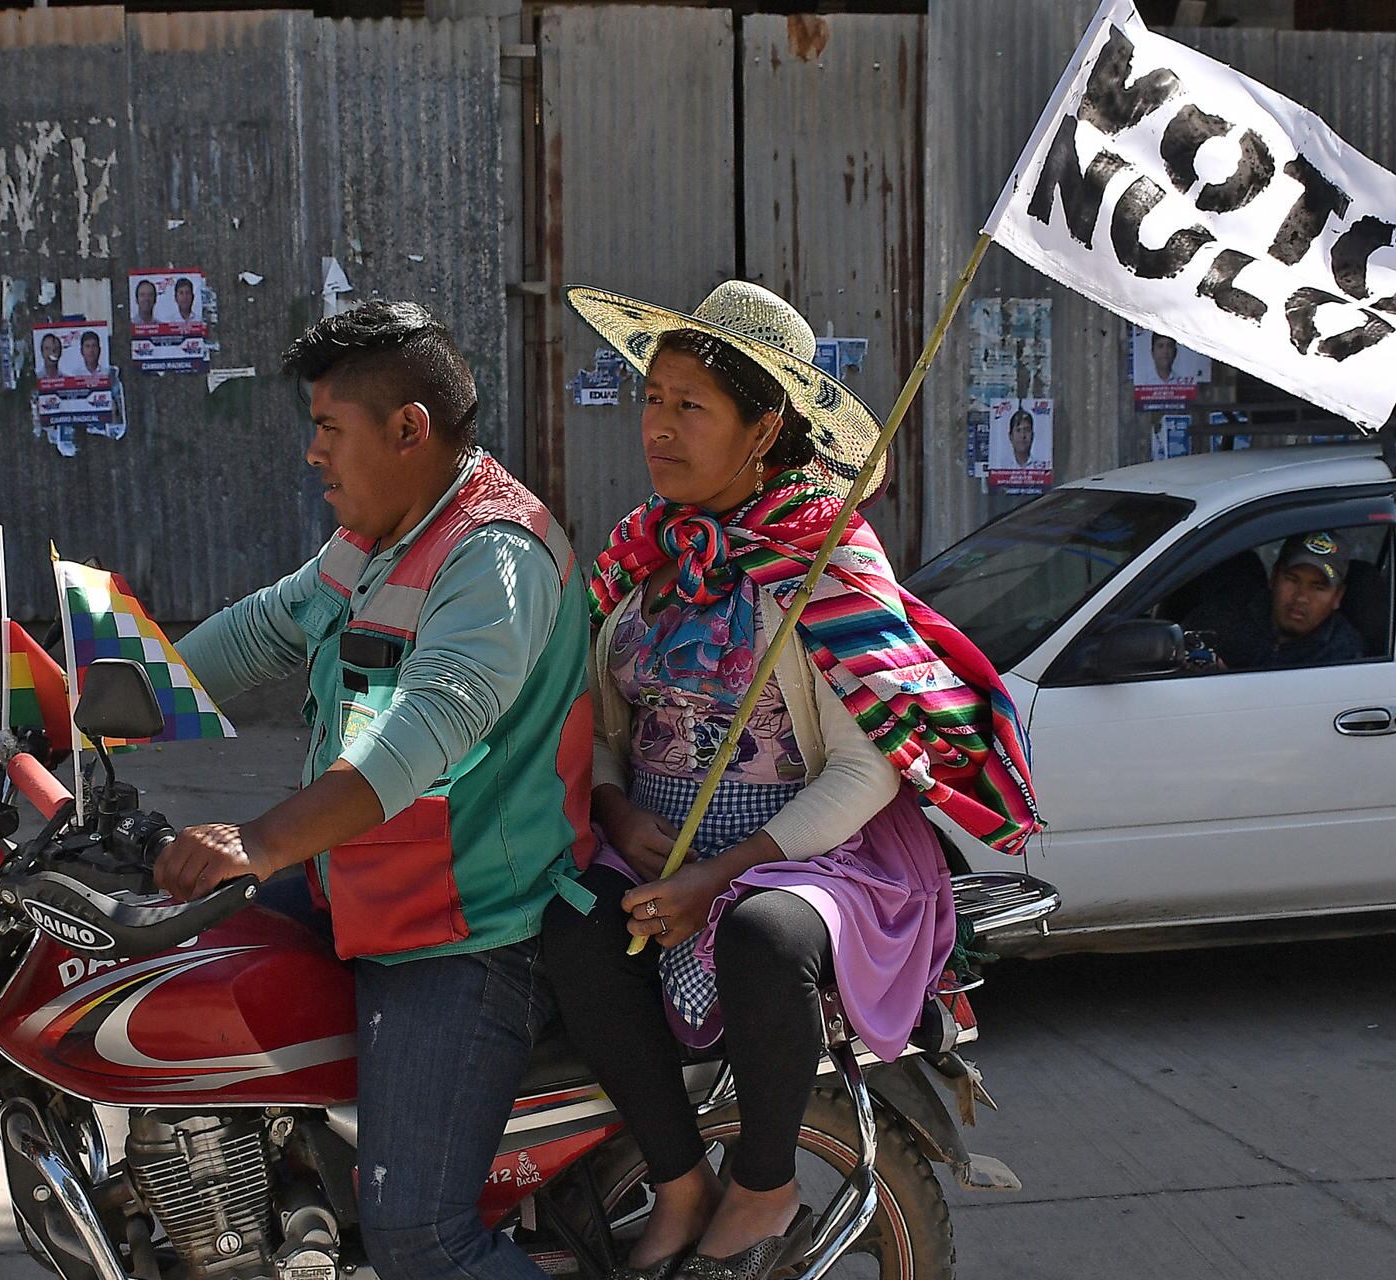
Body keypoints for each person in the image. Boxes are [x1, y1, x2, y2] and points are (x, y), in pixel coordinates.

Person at [544, 281, 1039, 1280]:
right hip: (656, 841)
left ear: (764, 427)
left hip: (812, 850)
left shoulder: (825, 558)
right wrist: (614, 806)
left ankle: (765, 1181)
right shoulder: (645, 550)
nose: (659, 427)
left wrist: (721, 873)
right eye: (653, 399)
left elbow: (867, 767)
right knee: (567, 924)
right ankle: (679, 1176)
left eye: (691, 406)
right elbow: (602, 721)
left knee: (763, 936)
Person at [163, 299, 593, 1280]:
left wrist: (258, 840)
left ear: (408, 429)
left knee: (419, 1237)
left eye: (329, 427)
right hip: (359, 891)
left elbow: (419, 740)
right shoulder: (378, 535)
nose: (313, 452)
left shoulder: (495, 558)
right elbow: (263, 630)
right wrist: (98, 703)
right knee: (169, 952)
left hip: (467, 930)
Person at [1184, 531, 1366, 670]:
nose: (1301, 597)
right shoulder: (1227, 615)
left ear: (1337, 597)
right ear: (1273, 577)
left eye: (1318, 587)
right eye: (1292, 580)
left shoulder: (1344, 657)